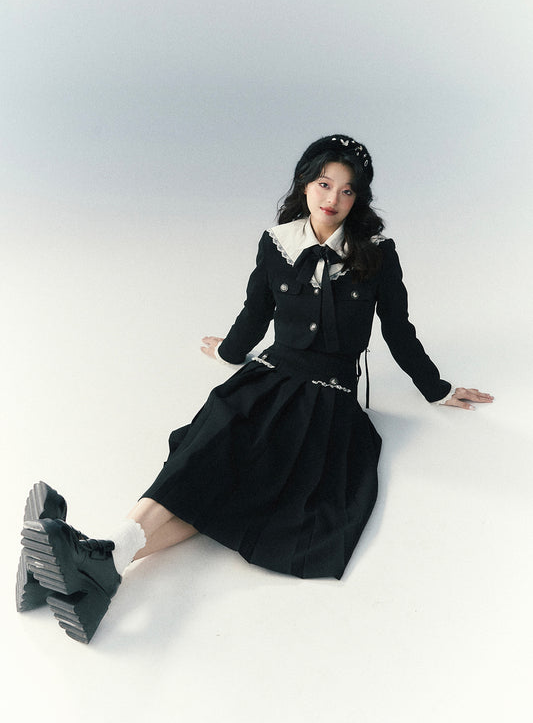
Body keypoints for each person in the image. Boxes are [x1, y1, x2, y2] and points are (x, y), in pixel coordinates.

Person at [17, 134, 493, 644]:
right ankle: (97, 563)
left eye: (347, 190)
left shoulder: (376, 254)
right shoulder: (277, 243)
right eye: (324, 183)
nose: (333, 198)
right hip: (266, 376)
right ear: (305, 184)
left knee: (242, 483)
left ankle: (84, 563)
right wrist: (228, 352)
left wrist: (437, 389)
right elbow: (255, 312)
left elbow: (398, 330)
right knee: (207, 456)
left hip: (327, 396)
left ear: (359, 198)